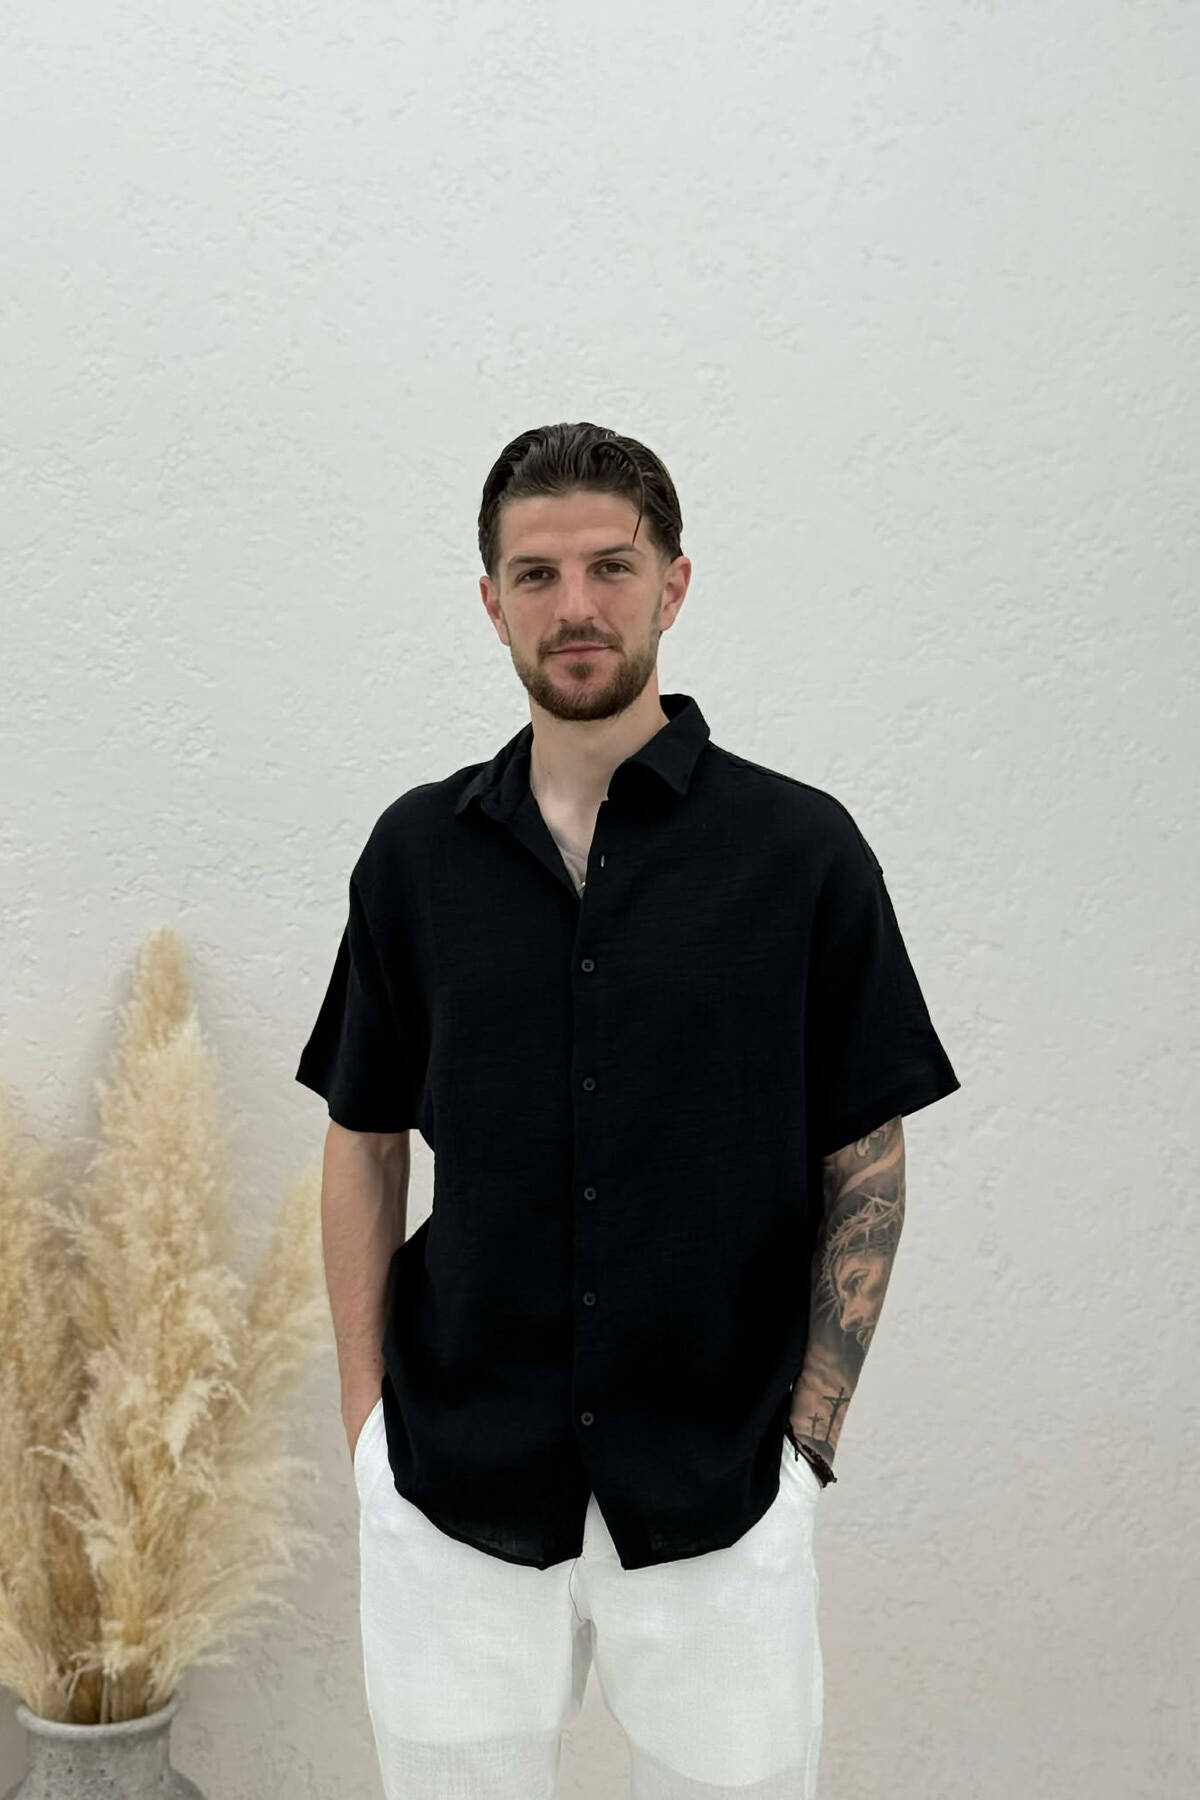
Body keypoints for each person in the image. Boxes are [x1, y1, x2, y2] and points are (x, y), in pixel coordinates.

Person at [296, 422, 961, 1800]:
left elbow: (868, 1159)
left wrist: (807, 1448)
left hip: (722, 1483)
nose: (576, 606)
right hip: (452, 1482)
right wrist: (367, 1432)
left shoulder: (801, 851)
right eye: (536, 575)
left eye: (612, 565)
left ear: (675, 584)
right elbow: (363, 1144)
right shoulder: (417, 855)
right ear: (492, 603)